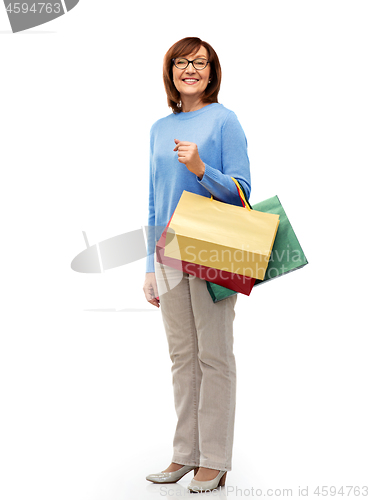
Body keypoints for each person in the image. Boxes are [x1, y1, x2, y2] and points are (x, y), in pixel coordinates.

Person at [143, 37, 251, 493]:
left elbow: (243, 192)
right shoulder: (157, 128)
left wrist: (202, 167)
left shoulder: (225, 121)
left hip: (210, 248)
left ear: (212, 72)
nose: (190, 69)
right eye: (181, 62)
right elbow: (153, 202)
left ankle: (216, 459)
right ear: (170, 71)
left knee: (214, 356)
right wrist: (149, 264)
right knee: (182, 357)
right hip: (168, 252)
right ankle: (185, 453)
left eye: (200, 63)